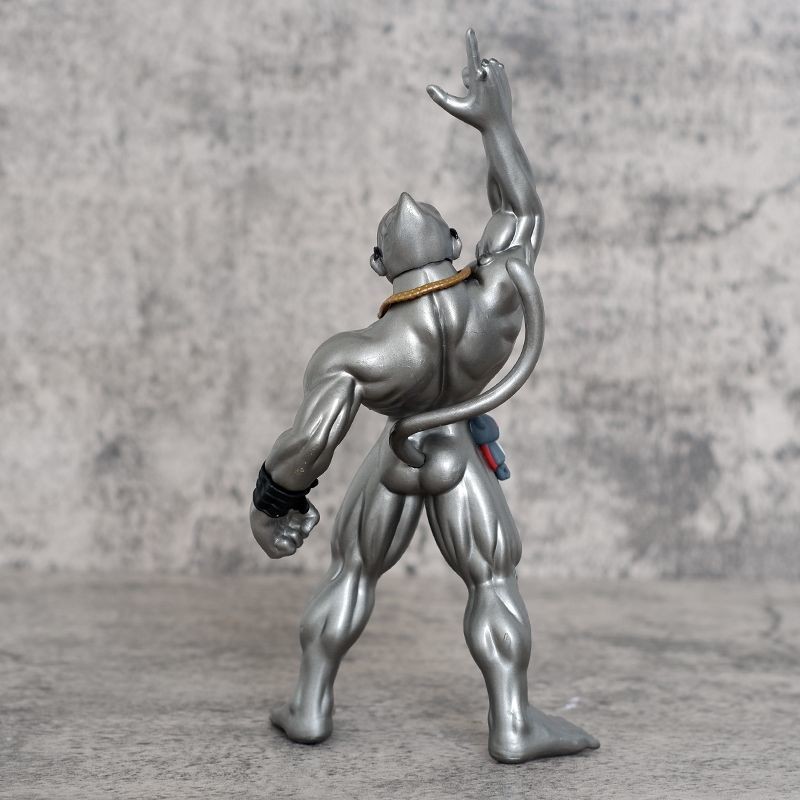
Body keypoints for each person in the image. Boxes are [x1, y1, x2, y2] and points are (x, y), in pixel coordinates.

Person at [249, 29, 598, 763]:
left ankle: (311, 705)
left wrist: (271, 503)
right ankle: (512, 720)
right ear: (454, 240)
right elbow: (524, 212)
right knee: (491, 578)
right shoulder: (496, 294)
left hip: (399, 451)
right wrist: (497, 126)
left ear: (380, 263)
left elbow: (311, 442)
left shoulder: (360, 353)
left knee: (352, 571)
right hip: (456, 452)